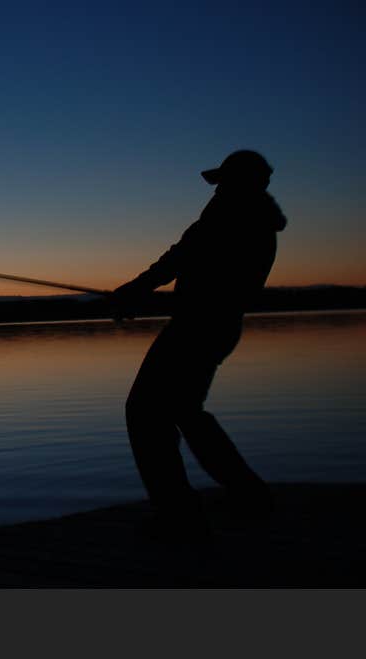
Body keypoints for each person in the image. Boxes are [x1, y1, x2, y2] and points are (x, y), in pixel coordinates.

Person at [112, 150, 286, 536]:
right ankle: (246, 493)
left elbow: (180, 258)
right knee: (185, 412)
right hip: (215, 325)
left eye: (225, 180)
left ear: (240, 182)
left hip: (197, 327)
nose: (218, 187)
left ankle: (178, 513)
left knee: (144, 411)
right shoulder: (252, 217)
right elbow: (191, 262)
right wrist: (137, 294)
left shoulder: (231, 215)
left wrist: (132, 292)